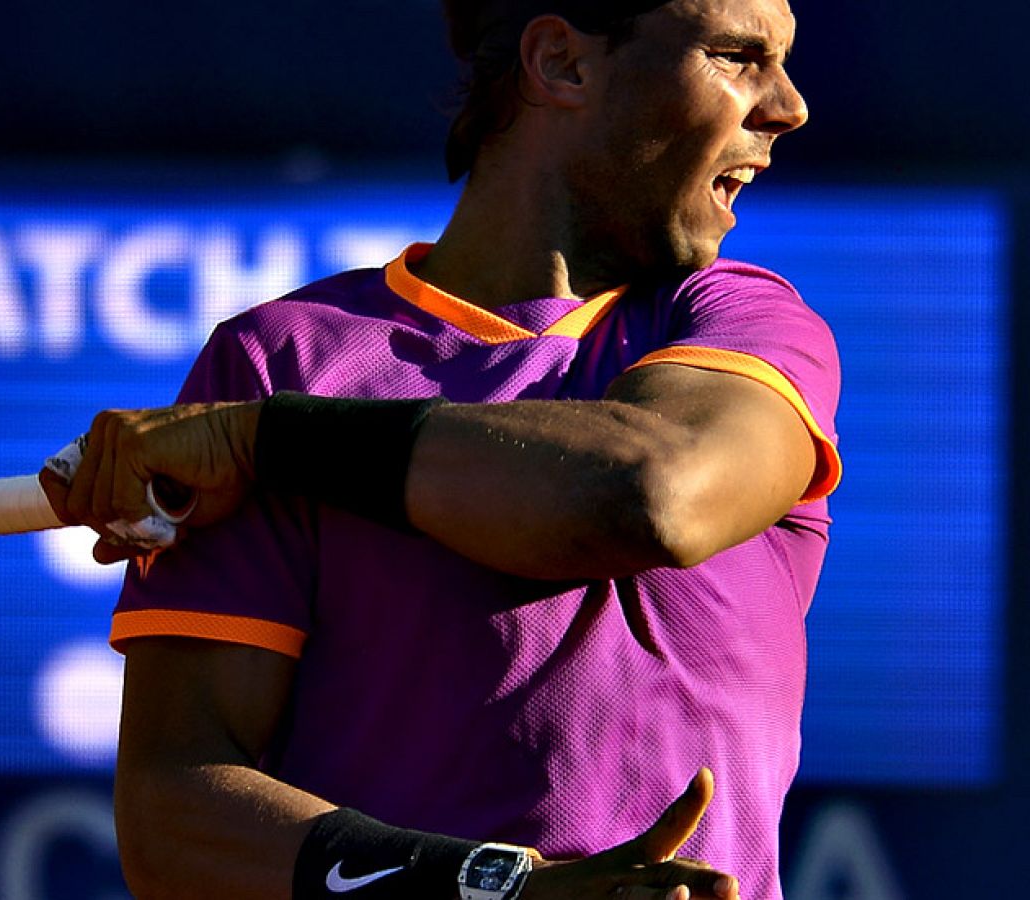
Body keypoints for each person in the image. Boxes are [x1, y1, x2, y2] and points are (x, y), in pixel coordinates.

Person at [50, 0, 836, 897]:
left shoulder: (745, 321)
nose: (788, 105)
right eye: (736, 56)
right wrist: (496, 890)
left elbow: (655, 492)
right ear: (561, 63)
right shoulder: (275, 361)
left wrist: (262, 439)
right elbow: (175, 816)